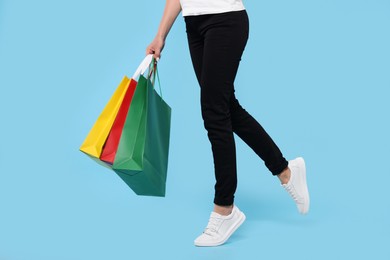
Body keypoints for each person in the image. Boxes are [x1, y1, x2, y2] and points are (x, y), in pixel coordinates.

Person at [146, 0, 310, 247]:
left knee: (214, 112)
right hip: (193, 23)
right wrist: (160, 35)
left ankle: (224, 207)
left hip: (226, 19)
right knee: (226, 108)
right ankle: (286, 170)